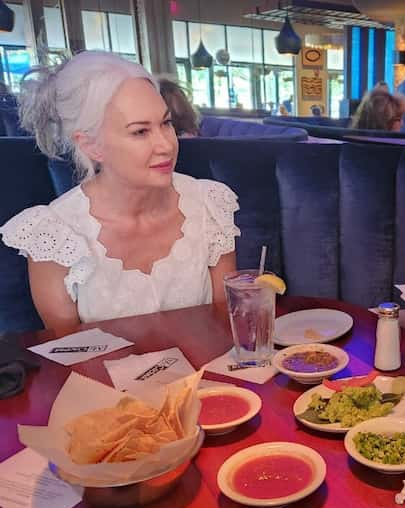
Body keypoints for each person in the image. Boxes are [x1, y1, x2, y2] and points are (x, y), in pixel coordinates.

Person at [0, 51, 240, 333]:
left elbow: (227, 324)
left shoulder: (209, 205)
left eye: (166, 123)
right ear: (91, 146)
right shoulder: (54, 235)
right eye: (140, 132)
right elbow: (70, 351)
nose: (166, 145)